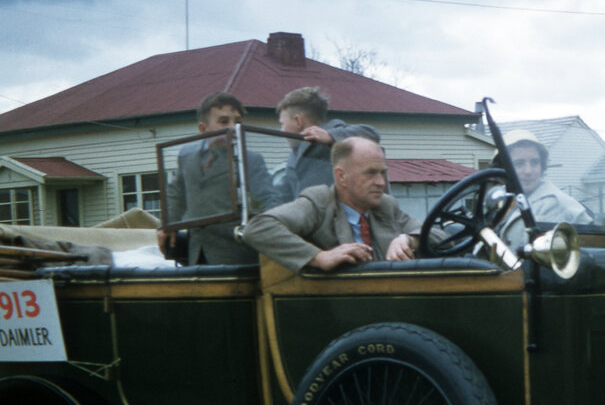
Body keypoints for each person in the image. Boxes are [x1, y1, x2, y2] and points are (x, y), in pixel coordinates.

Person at [243, 136, 420, 272]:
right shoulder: (319, 202)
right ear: (341, 176)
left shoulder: (385, 205)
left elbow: (433, 232)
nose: (381, 182)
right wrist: (319, 257)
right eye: (371, 173)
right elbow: (258, 228)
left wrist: (407, 239)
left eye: (383, 173)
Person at [158, 92, 279, 264]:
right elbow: (176, 194)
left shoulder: (250, 160)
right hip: (195, 252)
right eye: (224, 121)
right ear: (203, 128)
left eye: (237, 122)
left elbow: (269, 201)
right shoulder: (187, 155)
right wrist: (166, 225)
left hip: (236, 254)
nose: (232, 127)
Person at [274, 87, 381, 202]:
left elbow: (372, 134)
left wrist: (331, 136)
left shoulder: (333, 133)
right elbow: (283, 196)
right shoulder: (294, 155)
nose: (282, 130)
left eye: (282, 124)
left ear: (298, 121)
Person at [503, 130, 592, 224]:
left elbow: (593, 236)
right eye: (519, 164)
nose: (528, 171)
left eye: (534, 162)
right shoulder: (499, 199)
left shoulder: (558, 203)